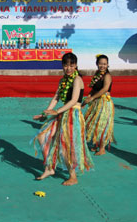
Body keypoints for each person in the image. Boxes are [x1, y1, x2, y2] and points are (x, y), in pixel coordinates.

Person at [32, 53, 94, 186]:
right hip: (63, 113)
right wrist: (45, 113)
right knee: (42, 136)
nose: (68, 68)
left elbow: (73, 101)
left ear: (76, 65)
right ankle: (49, 168)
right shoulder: (63, 81)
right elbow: (56, 98)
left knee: (66, 147)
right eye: (65, 65)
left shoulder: (78, 80)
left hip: (73, 115)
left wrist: (57, 111)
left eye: (71, 65)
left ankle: (73, 176)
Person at [83, 54, 115, 155]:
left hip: (104, 102)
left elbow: (105, 89)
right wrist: (88, 97)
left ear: (108, 65)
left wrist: (92, 97)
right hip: (96, 102)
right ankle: (97, 144)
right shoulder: (97, 74)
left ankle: (102, 148)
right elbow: (94, 88)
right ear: (97, 64)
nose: (103, 66)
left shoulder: (107, 76)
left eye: (105, 64)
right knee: (95, 124)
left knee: (102, 125)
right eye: (101, 63)